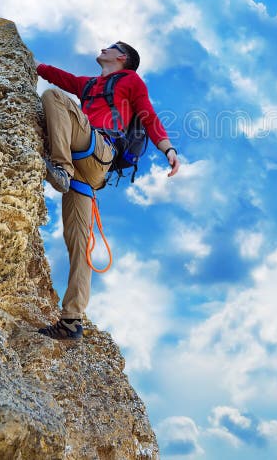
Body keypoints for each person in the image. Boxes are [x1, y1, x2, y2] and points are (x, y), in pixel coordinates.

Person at [35, 41, 179, 340]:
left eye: (110, 47)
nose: (102, 47)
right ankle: (72, 320)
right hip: (87, 173)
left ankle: (59, 166)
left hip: (99, 150)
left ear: (122, 57)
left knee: (53, 97)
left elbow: (148, 115)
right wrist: (26, 60)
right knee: (78, 241)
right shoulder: (88, 85)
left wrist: (168, 149)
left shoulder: (131, 80)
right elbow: (54, 74)